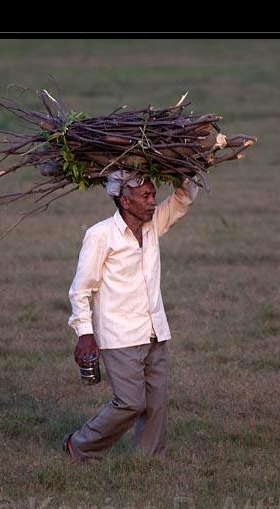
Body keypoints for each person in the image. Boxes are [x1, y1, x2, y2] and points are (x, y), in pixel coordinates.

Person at [62, 170, 198, 462]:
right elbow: (81, 289)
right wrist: (85, 335)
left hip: (154, 330)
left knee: (156, 404)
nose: (153, 202)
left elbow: (183, 199)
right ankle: (80, 446)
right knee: (130, 403)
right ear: (125, 201)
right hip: (119, 335)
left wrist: (185, 168)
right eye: (145, 196)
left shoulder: (152, 226)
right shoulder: (100, 235)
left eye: (153, 194)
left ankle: (149, 461)